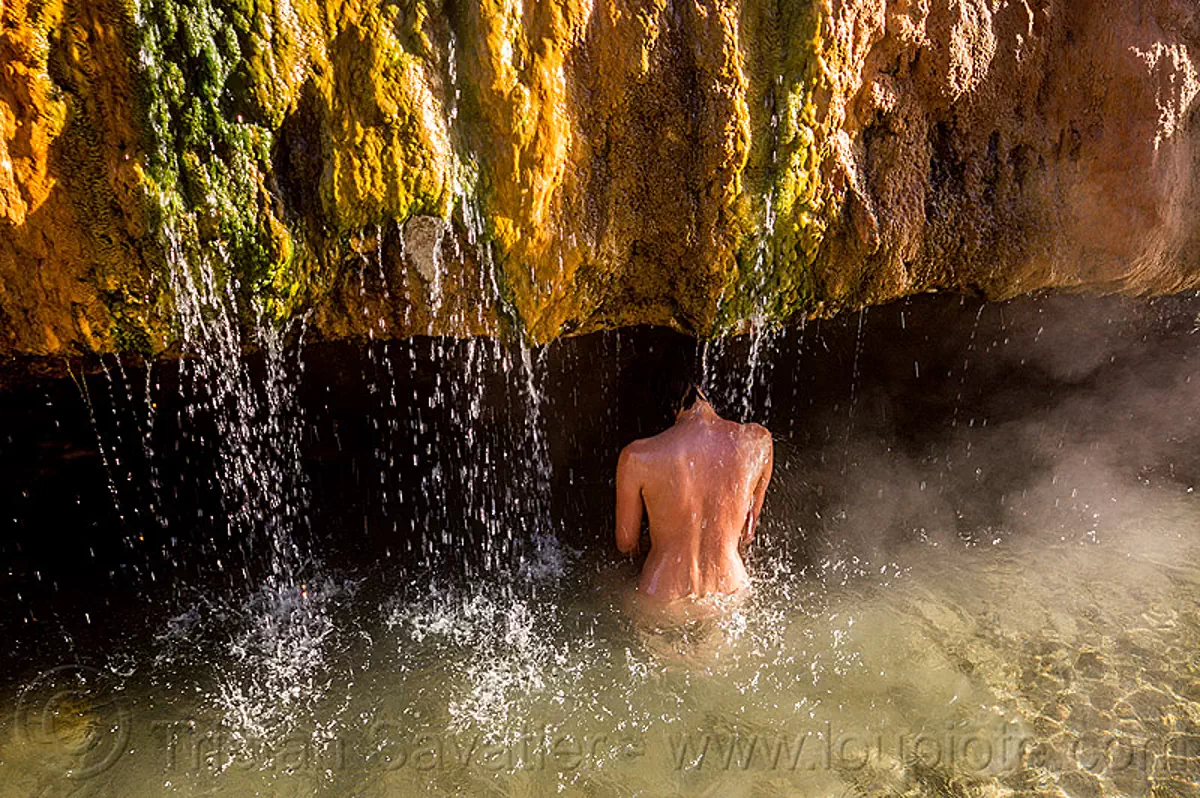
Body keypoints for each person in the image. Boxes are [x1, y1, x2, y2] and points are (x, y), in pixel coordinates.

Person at [614, 377, 773, 604]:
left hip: (663, 595)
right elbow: (747, 533)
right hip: (729, 592)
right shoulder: (758, 441)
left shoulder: (637, 456)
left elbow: (626, 543)